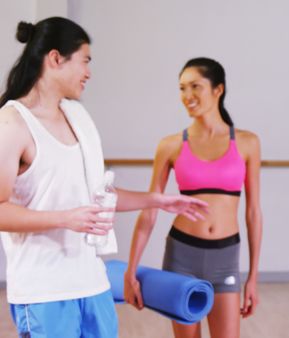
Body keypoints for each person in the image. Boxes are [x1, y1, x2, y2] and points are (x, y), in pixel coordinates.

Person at [0, 17, 208, 337]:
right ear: (55, 59)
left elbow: (98, 195)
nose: (88, 72)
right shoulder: (12, 123)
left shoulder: (78, 116)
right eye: (84, 61)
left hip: (92, 284)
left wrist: (156, 200)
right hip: (44, 293)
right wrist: (64, 218)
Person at [124, 57, 263, 338]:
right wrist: (131, 270)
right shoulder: (170, 145)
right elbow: (150, 210)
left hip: (226, 257)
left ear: (218, 90)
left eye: (195, 86)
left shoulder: (248, 143)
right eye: (182, 88)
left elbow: (253, 213)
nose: (187, 96)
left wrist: (253, 277)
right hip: (181, 256)